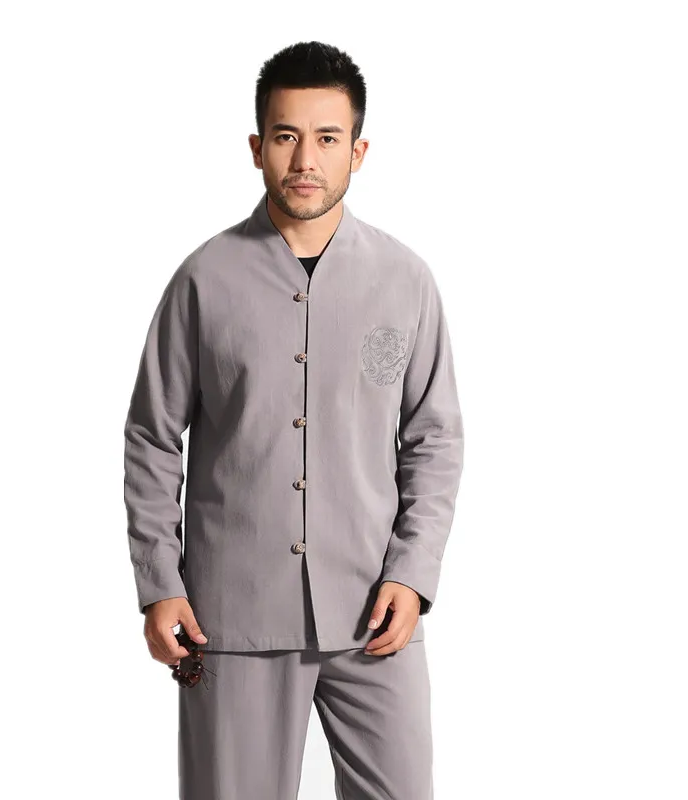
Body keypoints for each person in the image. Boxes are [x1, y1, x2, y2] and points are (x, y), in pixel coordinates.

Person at [123, 40, 465, 800]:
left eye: (327, 138)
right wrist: (159, 583)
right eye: (286, 136)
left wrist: (413, 575)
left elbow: (434, 439)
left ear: (359, 152)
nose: (305, 159)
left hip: (375, 612)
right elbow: (152, 436)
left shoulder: (406, 282)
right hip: (230, 619)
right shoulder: (203, 281)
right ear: (257, 148)